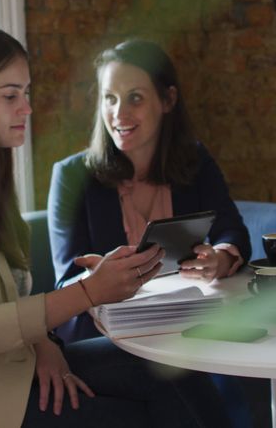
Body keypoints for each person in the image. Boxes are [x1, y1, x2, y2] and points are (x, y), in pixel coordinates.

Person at [0, 26, 229, 428]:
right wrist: (89, 291)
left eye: (25, 93)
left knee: (172, 368)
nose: (26, 108)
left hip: (6, 368)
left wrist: (43, 344)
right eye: (10, 96)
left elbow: (3, 298)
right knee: (135, 415)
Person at [47, 39, 252, 343]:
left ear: (168, 100)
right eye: (110, 98)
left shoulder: (195, 160)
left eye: (135, 98)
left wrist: (219, 259)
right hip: (104, 336)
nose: (119, 113)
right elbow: (66, 282)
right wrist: (98, 278)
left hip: (183, 326)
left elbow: (233, 232)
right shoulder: (70, 176)